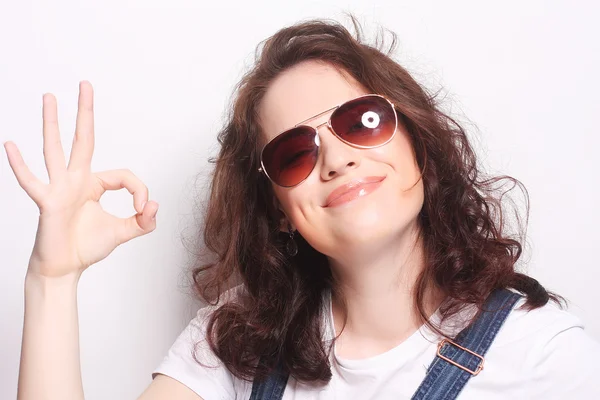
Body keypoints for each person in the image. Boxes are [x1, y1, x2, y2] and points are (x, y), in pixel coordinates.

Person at [5, 16, 600, 400]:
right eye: (294, 152)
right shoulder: (236, 342)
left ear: (420, 143)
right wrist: (52, 280)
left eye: (362, 121)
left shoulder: (542, 357)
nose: (336, 160)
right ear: (282, 210)